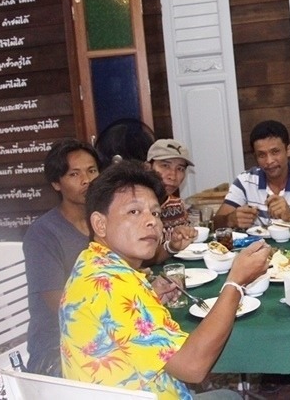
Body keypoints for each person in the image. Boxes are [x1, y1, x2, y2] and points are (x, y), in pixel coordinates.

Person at [59, 161, 271, 399]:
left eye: (155, 213)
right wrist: (236, 284)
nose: (152, 221)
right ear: (100, 224)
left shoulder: (93, 263)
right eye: (134, 211)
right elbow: (192, 367)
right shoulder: (114, 284)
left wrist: (148, 296)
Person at [23, 138, 100, 376]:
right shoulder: (43, 234)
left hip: (102, 334)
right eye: (74, 174)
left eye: (92, 171)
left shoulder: (102, 222)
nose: (86, 180)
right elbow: (63, 305)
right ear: (56, 183)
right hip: (56, 351)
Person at [213, 120, 290, 229]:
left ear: (288, 150)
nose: (269, 161)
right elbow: (216, 222)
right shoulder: (245, 181)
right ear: (255, 157)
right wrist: (230, 220)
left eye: (275, 152)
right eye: (262, 155)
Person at [146, 139, 198, 264]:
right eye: (165, 166)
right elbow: (134, 259)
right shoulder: (133, 208)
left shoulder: (177, 206)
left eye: (180, 169)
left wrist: (173, 246)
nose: (173, 176)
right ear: (147, 167)